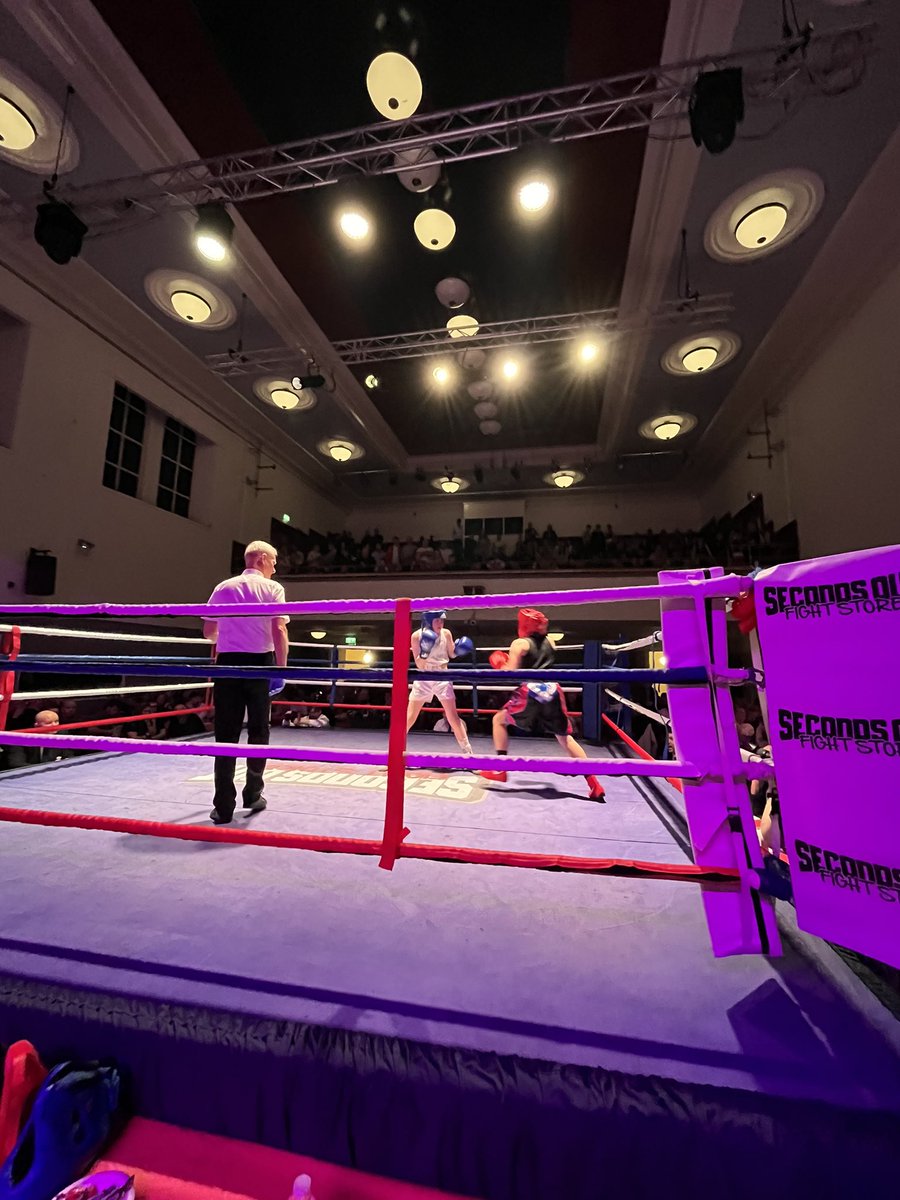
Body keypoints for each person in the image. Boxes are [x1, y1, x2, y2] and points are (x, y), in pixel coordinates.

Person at [202, 539, 289, 825]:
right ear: (262, 558)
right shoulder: (272, 588)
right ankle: (253, 794)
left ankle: (223, 807)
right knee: (258, 731)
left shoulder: (223, 587)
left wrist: (232, 633)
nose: (275, 568)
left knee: (225, 733)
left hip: (227, 663)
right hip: (260, 662)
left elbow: (208, 632)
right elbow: (278, 630)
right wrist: (281, 669)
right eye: (274, 561)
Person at [478, 609, 605, 801]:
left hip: (530, 691)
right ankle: (594, 783)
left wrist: (500, 664)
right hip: (553, 690)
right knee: (565, 738)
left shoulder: (519, 644)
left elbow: (509, 673)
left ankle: (501, 769)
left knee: (498, 720)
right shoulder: (551, 641)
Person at [407, 610, 473, 758]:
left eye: (442, 621)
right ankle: (394, 752)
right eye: (437, 621)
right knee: (410, 717)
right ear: (429, 621)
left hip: (442, 676)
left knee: (453, 717)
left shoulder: (446, 633)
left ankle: (469, 754)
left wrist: (459, 650)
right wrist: (425, 651)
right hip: (424, 676)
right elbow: (419, 665)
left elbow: (451, 654)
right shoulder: (417, 636)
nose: (441, 624)